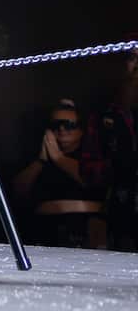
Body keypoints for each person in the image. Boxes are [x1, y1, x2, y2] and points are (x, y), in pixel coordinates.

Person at [13, 98, 107, 248]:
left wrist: (58, 158)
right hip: (44, 234)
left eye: (69, 125)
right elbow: (17, 192)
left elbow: (91, 181)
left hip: (84, 234)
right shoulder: (37, 157)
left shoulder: (92, 158)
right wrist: (41, 161)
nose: (62, 130)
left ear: (81, 130)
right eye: (56, 125)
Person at [81, 44, 138, 251]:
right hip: (122, 217)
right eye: (132, 57)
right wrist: (117, 166)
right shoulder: (103, 116)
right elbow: (87, 170)